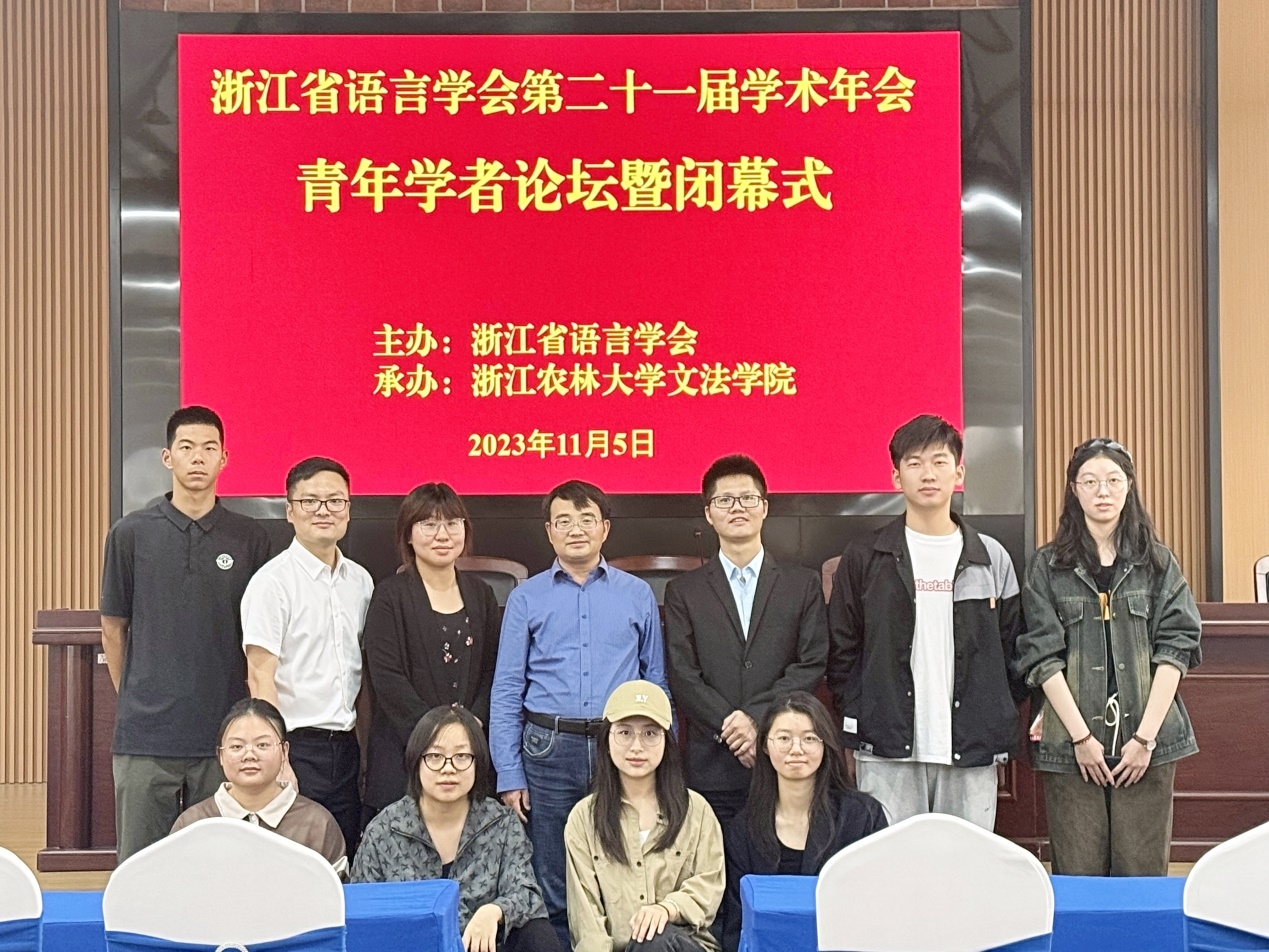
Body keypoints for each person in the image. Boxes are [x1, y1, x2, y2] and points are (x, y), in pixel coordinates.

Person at [490, 480, 671, 946]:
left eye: (587, 519)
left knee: (620, 858)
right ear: (549, 531)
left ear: (605, 528)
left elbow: (655, 683)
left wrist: (659, 756)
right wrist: (509, 772)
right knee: (552, 867)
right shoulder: (527, 597)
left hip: (621, 745)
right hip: (548, 748)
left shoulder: (636, 594)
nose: (576, 530)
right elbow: (507, 687)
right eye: (564, 521)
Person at [827, 414, 1025, 830]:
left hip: (971, 750)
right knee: (894, 862)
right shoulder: (866, 557)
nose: (928, 474)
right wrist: (862, 714)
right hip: (887, 749)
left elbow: (1014, 651)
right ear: (896, 477)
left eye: (939, 461)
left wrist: (991, 712)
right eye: (914, 463)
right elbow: (843, 651)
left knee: (966, 861)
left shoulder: (991, 557)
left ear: (959, 473)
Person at [1017, 438, 1201, 876]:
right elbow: (1042, 656)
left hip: (1148, 741)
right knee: (1078, 874)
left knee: (1142, 874)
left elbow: (1176, 649)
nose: (1103, 491)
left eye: (1114, 480)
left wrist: (1145, 740)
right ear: (1074, 489)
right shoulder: (1047, 566)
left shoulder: (1158, 563)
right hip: (1071, 745)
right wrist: (1081, 740)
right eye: (1090, 481)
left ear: (1129, 486)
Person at [101, 405, 272, 861]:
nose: (198, 457)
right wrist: (134, 697)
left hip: (225, 734)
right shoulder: (130, 534)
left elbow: (259, 637)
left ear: (224, 459)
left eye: (209, 448)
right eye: (187, 447)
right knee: (141, 866)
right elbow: (113, 628)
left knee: (220, 866)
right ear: (167, 457)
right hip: (146, 735)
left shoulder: (250, 538)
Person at [665, 455, 828, 825]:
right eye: (725, 500)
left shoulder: (802, 584)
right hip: (712, 764)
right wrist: (732, 729)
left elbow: (811, 663)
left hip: (782, 761)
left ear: (764, 508)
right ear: (709, 513)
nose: (737, 507)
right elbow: (682, 673)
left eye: (747, 498)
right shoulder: (684, 591)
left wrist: (757, 720)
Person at [241, 457, 373, 857]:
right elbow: (260, 676)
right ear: (289, 511)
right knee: (291, 860)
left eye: (335, 501)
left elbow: (361, 676)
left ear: (348, 509)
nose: (323, 510)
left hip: (346, 747)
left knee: (343, 858)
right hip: (295, 746)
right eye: (310, 501)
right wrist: (278, 757)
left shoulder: (361, 582)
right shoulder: (271, 583)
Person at [351, 706, 559, 952]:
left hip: (480, 946)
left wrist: (495, 910)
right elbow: (358, 912)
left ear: (477, 762)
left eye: (461, 756)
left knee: (538, 934)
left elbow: (527, 894)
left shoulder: (501, 823)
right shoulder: (384, 830)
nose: (448, 768)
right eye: (435, 756)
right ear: (416, 761)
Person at [362, 483, 500, 819]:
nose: (443, 534)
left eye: (452, 523)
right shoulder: (389, 596)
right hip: (404, 753)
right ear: (408, 535)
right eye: (429, 524)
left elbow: (494, 668)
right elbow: (387, 677)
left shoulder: (481, 594)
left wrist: (469, 728)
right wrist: (435, 737)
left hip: (468, 754)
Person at [720, 693, 886, 952]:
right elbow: (735, 924)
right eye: (784, 738)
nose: (796, 749)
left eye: (809, 738)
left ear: (825, 745)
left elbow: (881, 906)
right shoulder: (743, 830)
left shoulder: (863, 816)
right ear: (765, 746)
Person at [565, 681, 724, 952]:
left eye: (650, 733)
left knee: (653, 939)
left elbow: (708, 887)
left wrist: (667, 909)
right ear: (607, 739)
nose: (636, 746)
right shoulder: (584, 818)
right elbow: (586, 919)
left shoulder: (696, 810)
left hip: (681, 945)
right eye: (624, 732)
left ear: (667, 741)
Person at [171, 697, 347, 875]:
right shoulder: (193, 823)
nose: (249, 755)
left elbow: (337, 889)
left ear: (284, 751)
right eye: (237, 746)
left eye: (262, 745)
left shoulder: (317, 824)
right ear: (220, 755)